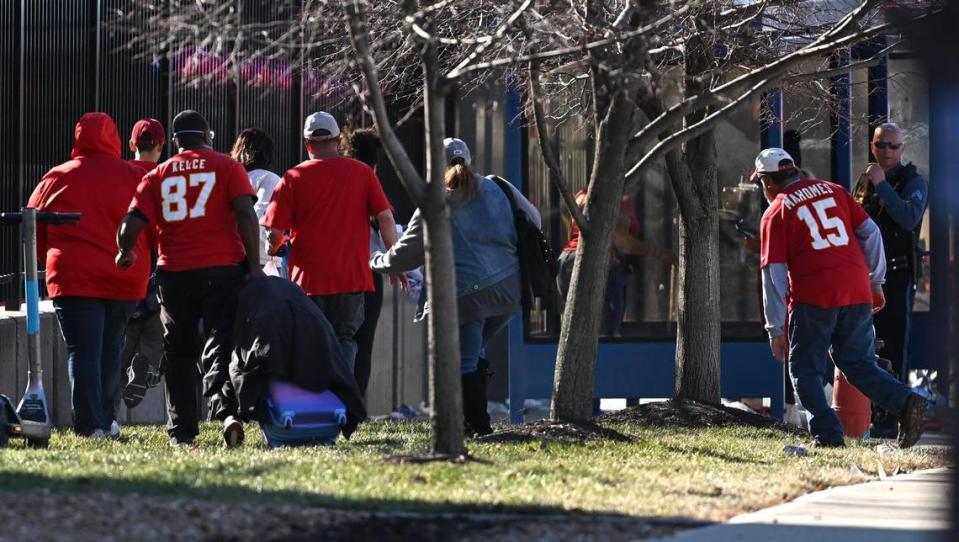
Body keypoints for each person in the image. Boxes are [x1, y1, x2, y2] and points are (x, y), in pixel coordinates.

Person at [756, 147, 926, 448]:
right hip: (857, 290)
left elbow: (774, 275)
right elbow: (871, 233)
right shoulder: (833, 191)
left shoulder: (776, 211)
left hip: (813, 297)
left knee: (804, 369)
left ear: (768, 182)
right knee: (858, 364)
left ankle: (827, 436)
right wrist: (875, 282)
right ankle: (905, 402)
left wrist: (775, 328)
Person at [369, 137, 540, 436]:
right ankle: (472, 421)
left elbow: (407, 253)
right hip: (510, 290)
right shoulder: (498, 185)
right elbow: (534, 218)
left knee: (463, 360)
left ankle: (477, 426)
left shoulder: (434, 202)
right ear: (470, 160)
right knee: (474, 351)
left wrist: (376, 260)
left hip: (467, 296)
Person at [116, 109, 263, 448]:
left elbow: (131, 223)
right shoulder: (228, 166)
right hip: (223, 269)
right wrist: (254, 267)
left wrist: (125, 251)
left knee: (179, 351)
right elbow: (245, 212)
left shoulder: (157, 175)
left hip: (175, 273)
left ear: (176, 141)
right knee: (220, 343)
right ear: (208, 136)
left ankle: (182, 433)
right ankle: (226, 412)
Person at [27, 112, 151, 439]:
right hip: (124, 276)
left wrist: (50, 262)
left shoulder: (56, 177)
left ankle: (89, 423)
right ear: (114, 139)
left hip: (73, 277)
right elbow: (150, 222)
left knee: (82, 351)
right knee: (112, 347)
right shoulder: (133, 175)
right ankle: (107, 417)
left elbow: (33, 228)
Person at [262, 112, 398, 371]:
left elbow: (275, 233)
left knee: (309, 341)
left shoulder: (292, 178)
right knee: (344, 339)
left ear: (307, 144)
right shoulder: (362, 173)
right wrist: (394, 260)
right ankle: (341, 398)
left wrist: (273, 246)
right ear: (337, 141)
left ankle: (315, 402)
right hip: (351, 277)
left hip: (308, 281)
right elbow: (386, 219)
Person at [853, 123, 929, 438]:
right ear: (873, 146)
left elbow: (909, 218)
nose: (886, 151)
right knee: (866, 344)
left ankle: (893, 417)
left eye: (893, 146)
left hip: (896, 275)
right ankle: (870, 412)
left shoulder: (914, 181)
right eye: (881, 145)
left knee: (894, 345)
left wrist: (882, 185)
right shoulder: (866, 178)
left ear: (902, 150)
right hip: (865, 273)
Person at [557, 190, 675, 336]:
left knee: (575, 328)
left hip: (566, 261)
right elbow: (621, 242)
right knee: (606, 332)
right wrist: (659, 253)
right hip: (599, 262)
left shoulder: (582, 195)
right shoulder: (615, 197)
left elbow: (573, 234)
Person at [118, 119, 167, 414]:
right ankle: (146, 365)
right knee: (156, 334)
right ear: (161, 146)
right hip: (156, 268)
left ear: (131, 145)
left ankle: (108, 408)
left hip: (125, 264)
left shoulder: (119, 174)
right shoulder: (164, 177)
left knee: (120, 342)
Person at [342, 127, 388, 397]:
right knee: (363, 343)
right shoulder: (370, 182)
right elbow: (385, 222)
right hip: (369, 271)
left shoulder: (336, 180)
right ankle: (355, 403)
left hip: (334, 269)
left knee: (337, 339)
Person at [230, 128, 283, 275]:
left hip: (232, 258)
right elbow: (262, 219)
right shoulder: (270, 179)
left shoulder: (233, 179)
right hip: (263, 262)